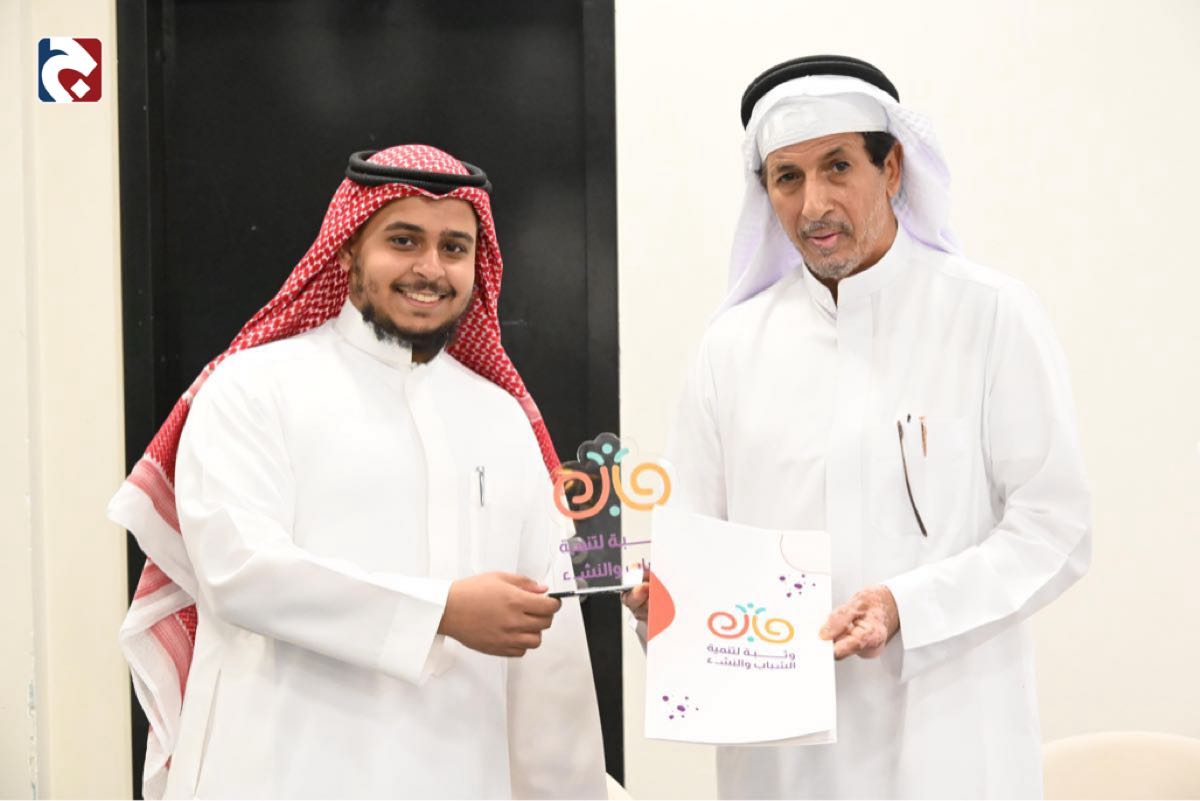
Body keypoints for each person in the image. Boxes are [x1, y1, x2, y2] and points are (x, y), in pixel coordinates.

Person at [623, 55, 1091, 798]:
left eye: (838, 166)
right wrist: (669, 606)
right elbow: (694, 541)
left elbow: (1055, 526)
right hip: (784, 761)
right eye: (787, 177)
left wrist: (909, 606)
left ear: (893, 167)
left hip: (949, 742)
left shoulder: (990, 315)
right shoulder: (730, 348)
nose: (814, 204)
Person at [108, 144, 606, 799]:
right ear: (346, 250)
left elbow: (550, 656)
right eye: (404, 240)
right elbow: (238, 571)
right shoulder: (255, 387)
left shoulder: (501, 417)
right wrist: (442, 611)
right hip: (283, 773)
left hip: (459, 776)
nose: (430, 268)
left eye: (454, 248)